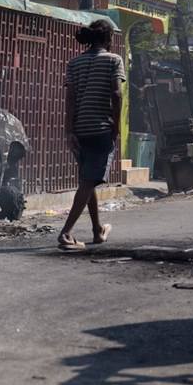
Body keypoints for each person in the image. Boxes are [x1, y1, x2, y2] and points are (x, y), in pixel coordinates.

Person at [57, 18, 126, 250]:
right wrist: (116, 126)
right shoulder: (114, 60)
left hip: (80, 130)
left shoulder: (74, 63)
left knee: (88, 180)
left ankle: (98, 230)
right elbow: (116, 94)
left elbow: (70, 98)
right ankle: (66, 234)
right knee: (88, 181)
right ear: (108, 38)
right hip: (101, 128)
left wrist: (69, 130)